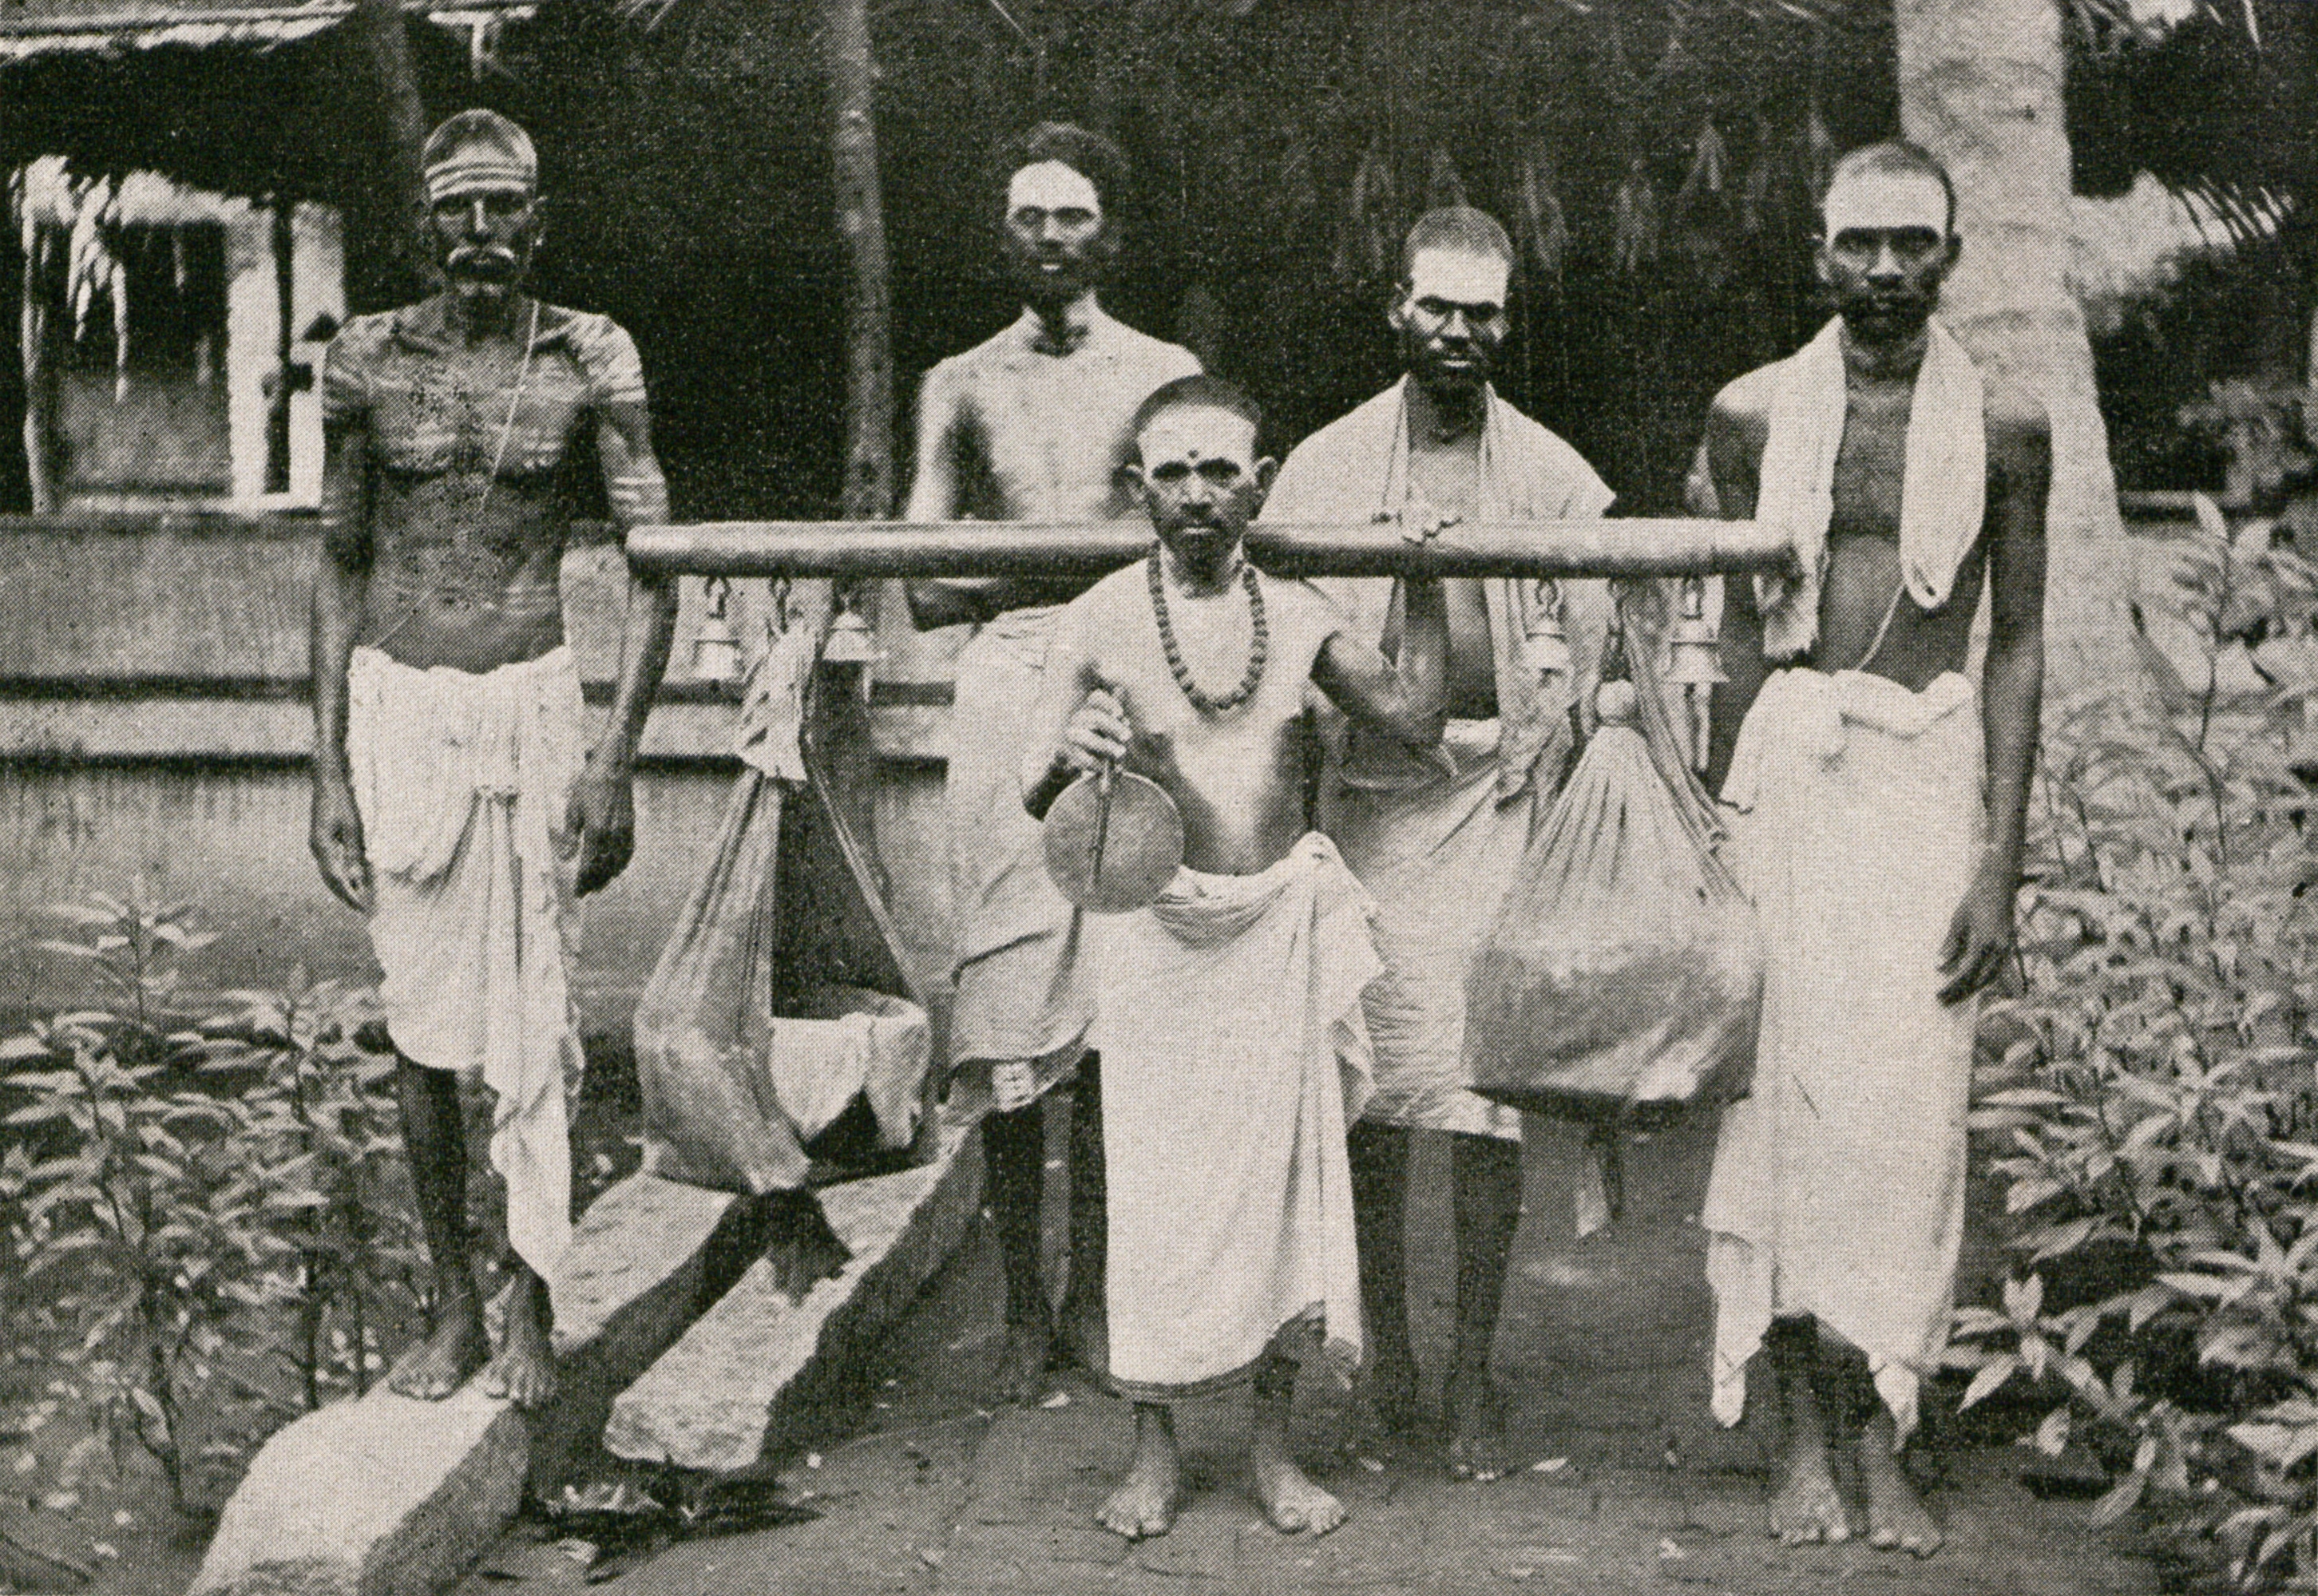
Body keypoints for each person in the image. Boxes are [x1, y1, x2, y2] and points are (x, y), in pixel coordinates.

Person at [1698, 141, 2047, 1556]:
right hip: (1788, 772)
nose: (1889, 268)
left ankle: (1890, 1425)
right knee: (1778, 1111)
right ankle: (1800, 1438)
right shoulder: (1752, 414)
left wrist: (1999, 863)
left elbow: (2016, 642)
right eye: (1863, 243)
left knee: (1907, 1121)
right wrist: (1712, 835)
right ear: (1821, 254)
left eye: (1915, 242)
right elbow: (1727, 633)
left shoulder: (2010, 424)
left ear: (1950, 253)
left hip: (1925, 781)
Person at [1024, 374, 1448, 1541]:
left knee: (1281, 1198)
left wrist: (1423, 573)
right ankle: (1153, 1449)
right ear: (1139, 490)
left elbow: (1414, 714)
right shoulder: (1103, 617)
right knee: (1153, 1200)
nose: (1199, 494)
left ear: (1259, 484)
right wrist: (1075, 748)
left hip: (1275, 930)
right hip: (1152, 934)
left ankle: (1272, 1451)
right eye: (1174, 472)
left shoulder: (1300, 614)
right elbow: (1031, 793)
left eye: (1223, 471)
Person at [310, 109, 678, 1408]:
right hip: (398, 709)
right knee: (421, 1027)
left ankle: (531, 1305)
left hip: (533, 702)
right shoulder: (361, 361)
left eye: (502, 210)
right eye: (456, 209)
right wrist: (326, 772)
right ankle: (452, 1311)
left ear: (538, 221)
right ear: (425, 223)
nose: (479, 234)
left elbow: (658, 566)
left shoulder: (591, 357)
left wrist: (617, 753)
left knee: (536, 1021)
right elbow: (342, 560)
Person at [1261, 206, 1617, 1478]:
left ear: (1508, 322)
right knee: (1368, 1095)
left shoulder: (1558, 476)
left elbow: (1593, 652)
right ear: (1397, 312)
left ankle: (1469, 1369)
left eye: (1485, 312)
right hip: (1368, 798)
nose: (1460, 332)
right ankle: (1390, 1353)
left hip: (1500, 798)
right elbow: (1288, 649)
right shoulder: (1320, 469)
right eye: (1438, 308)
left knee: (1482, 1104)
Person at [904, 122, 1202, 1399]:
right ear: (1001, 233)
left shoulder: (1167, 372)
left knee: (1129, 990)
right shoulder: (958, 383)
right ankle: (1026, 1303)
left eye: (1072, 215)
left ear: (1110, 235)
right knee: (1013, 1001)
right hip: (1011, 677)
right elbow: (920, 579)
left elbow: (1190, 541)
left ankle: (1102, 1297)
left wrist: (1051, 565)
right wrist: (1066, 562)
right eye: (1028, 215)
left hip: (1138, 670)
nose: (1049, 235)